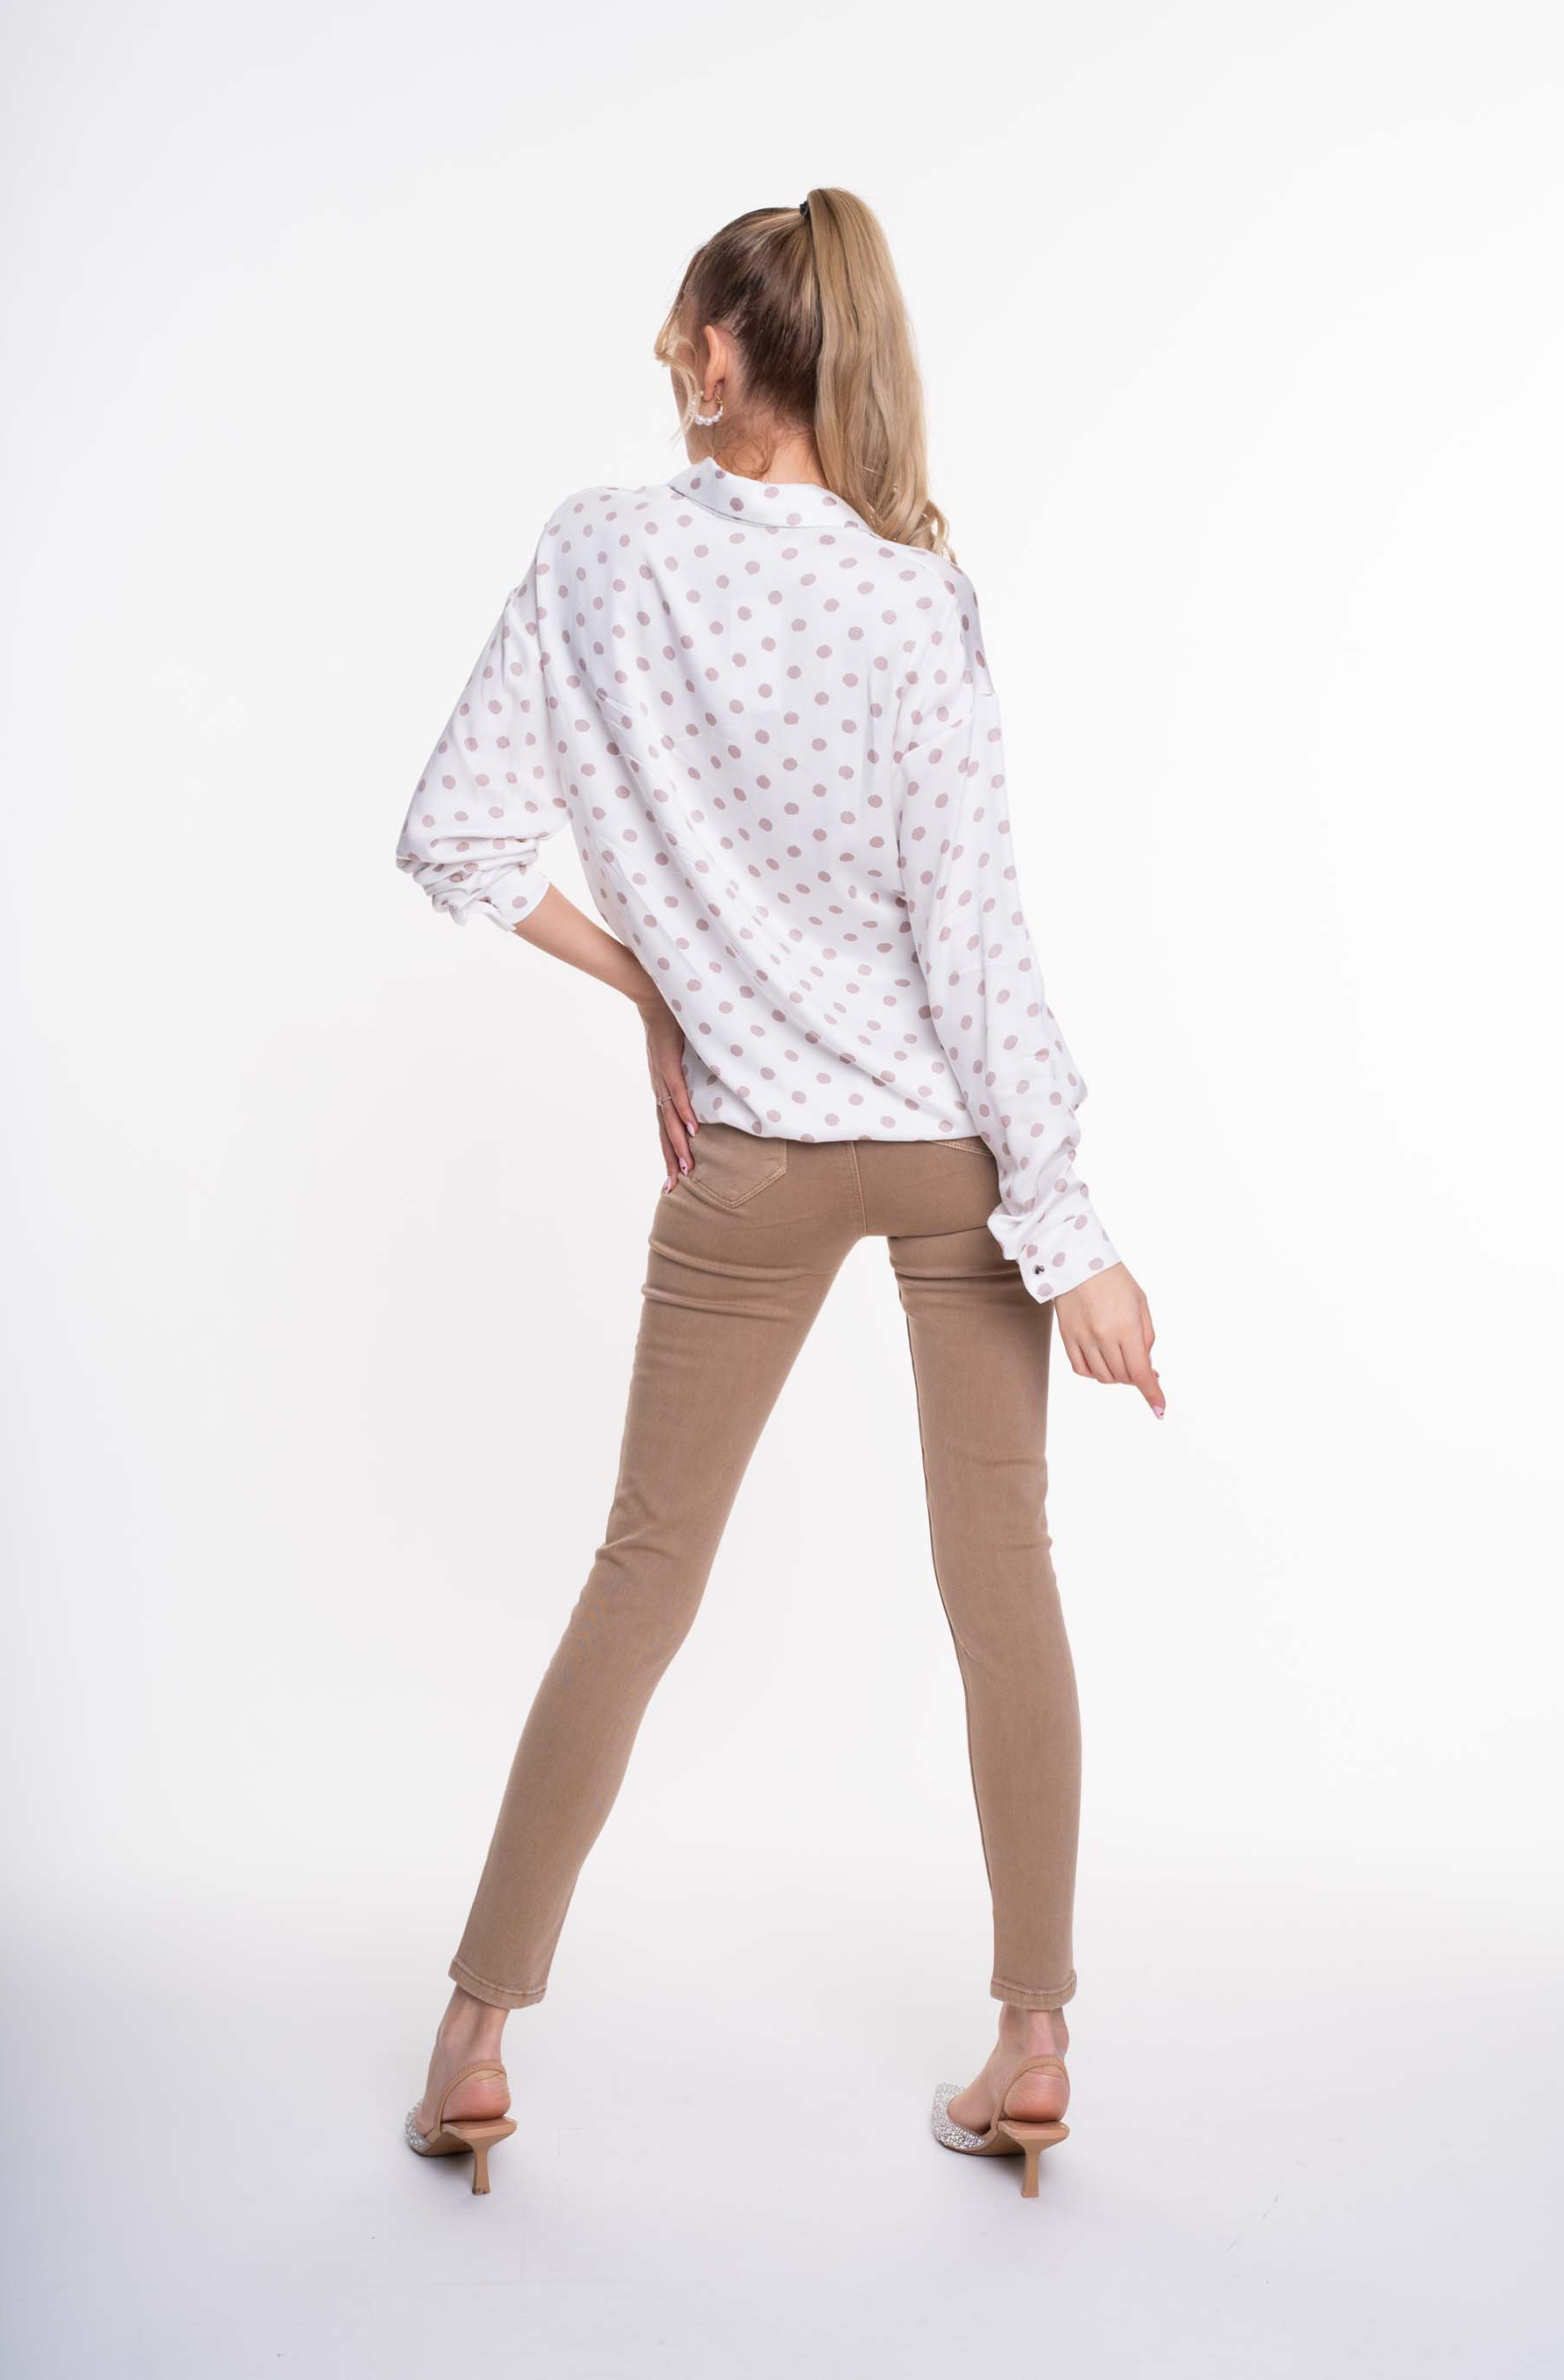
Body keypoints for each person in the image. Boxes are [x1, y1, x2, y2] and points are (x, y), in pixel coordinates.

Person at [395, 188, 1162, 2200]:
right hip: (949, 1149)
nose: (670, 364)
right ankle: (1033, 2041)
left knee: (638, 1579)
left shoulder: (595, 557)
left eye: (685, 336)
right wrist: (1070, 1231)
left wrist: (660, 987)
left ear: (735, 351)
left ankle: (474, 2036)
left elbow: (455, 838)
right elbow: (973, 941)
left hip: (746, 1154)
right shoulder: (917, 599)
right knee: (1005, 1585)